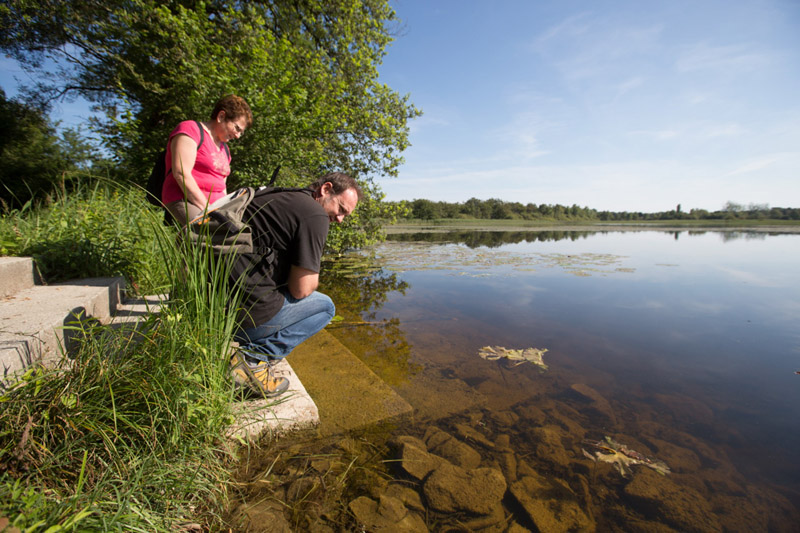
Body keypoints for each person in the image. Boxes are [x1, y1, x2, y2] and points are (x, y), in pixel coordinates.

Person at [228, 172, 362, 398]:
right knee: (324, 307)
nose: (340, 219)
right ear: (325, 189)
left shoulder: (281, 196)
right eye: (340, 209)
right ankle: (252, 360)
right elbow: (301, 289)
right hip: (239, 319)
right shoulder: (314, 214)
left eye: (345, 215)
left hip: (212, 304)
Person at [162, 94, 253, 226]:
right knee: (211, 234)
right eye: (237, 128)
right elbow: (181, 173)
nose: (238, 136)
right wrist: (209, 210)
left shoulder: (225, 150)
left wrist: (225, 211)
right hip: (184, 199)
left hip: (214, 207)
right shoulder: (190, 130)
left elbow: (222, 187)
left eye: (241, 132)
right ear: (221, 116)